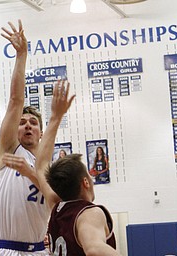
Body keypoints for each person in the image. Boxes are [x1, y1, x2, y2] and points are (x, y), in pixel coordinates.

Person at [0, 20, 49, 256]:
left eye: (33, 123)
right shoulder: (9, 150)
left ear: (41, 133)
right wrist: (21, 55)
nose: (28, 126)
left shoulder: (48, 166)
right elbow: (15, 101)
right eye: (22, 123)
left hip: (41, 251)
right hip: (7, 250)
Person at [35, 80, 119, 256]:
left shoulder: (56, 208)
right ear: (85, 182)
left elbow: (41, 164)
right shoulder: (89, 213)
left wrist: (55, 118)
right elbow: (94, 249)